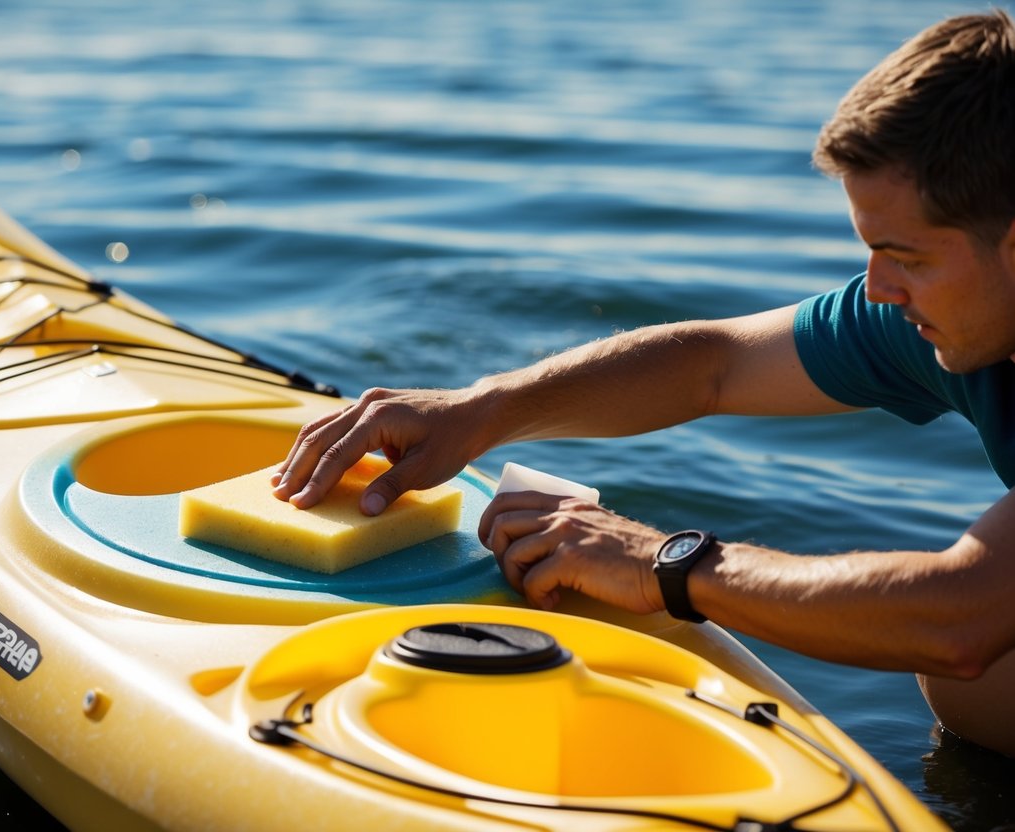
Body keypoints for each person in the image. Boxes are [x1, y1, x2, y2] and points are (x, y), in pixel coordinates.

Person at [272, 10, 1015, 757]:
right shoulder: (944, 311)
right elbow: (713, 364)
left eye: (906, 257)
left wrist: (662, 565)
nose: (875, 288)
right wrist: (483, 409)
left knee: (971, 661)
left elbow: (956, 620)